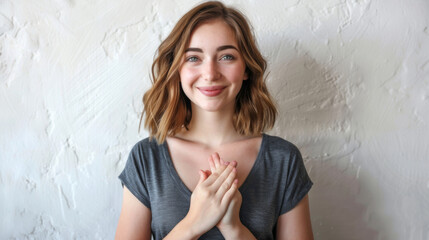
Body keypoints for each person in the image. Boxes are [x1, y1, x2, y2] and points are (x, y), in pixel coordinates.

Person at [115, 1, 313, 239]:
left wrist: (234, 229)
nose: (210, 73)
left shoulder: (284, 160)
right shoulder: (146, 160)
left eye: (227, 56)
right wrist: (193, 223)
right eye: (193, 58)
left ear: (246, 68)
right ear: (177, 69)